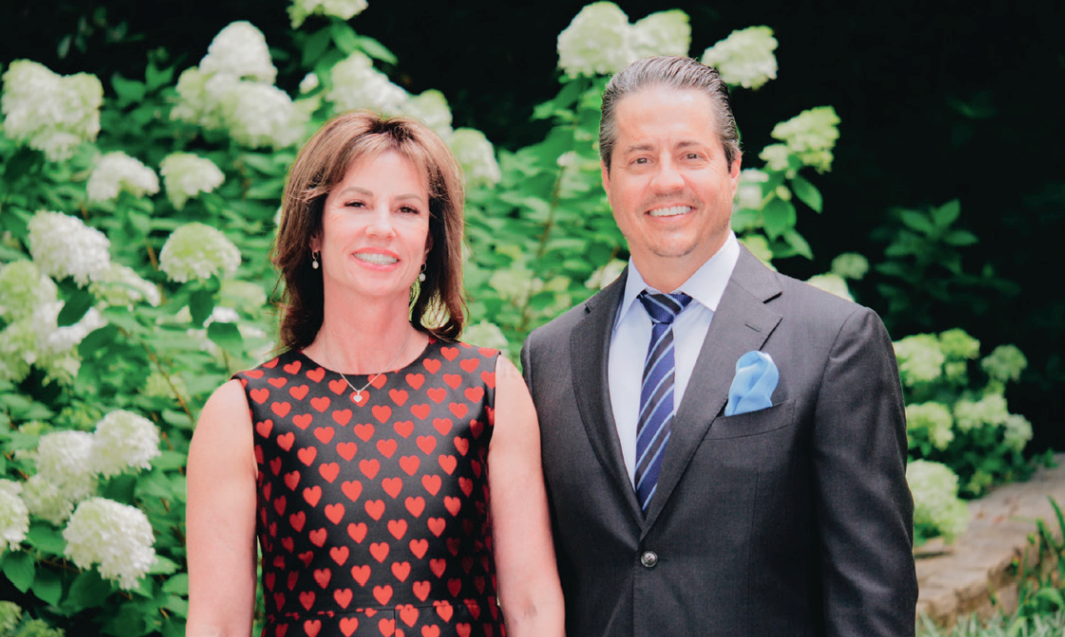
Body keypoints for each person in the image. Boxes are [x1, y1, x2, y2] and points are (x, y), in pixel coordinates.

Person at [521, 56, 917, 636]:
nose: (666, 181)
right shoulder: (549, 355)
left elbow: (871, 595)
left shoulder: (834, 341)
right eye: (639, 159)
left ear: (732, 168)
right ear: (607, 178)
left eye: (690, 155)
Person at [187, 111, 564, 637]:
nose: (381, 227)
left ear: (430, 241)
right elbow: (218, 626)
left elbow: (532, 608)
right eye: (357, 203)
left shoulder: (490, 390)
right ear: (314, 230)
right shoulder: (243, 413)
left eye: (407, 209)